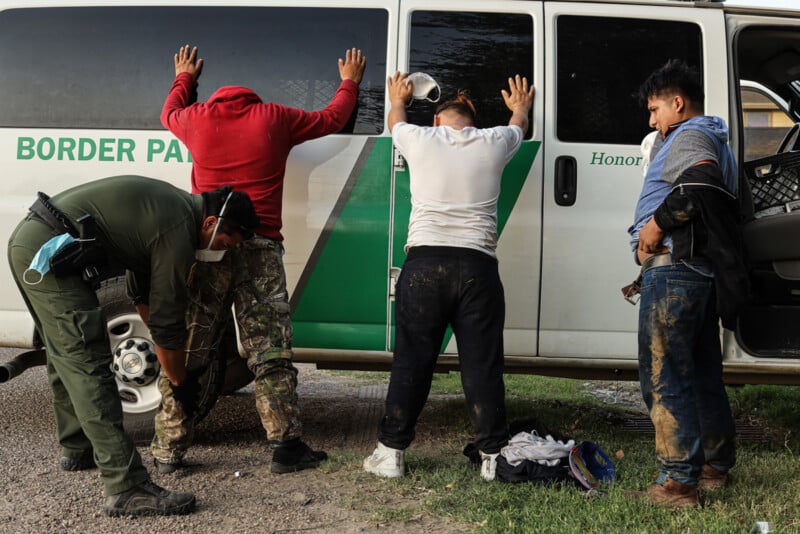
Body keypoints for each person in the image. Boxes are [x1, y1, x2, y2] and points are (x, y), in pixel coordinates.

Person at [157, 44, 367, 474]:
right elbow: (333, 118)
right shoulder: (274, 117)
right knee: (269, 351)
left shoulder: (194, 118)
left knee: (192, 347)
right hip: (260, 247)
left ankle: (168, 450)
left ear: (214, 98)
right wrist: (349, 81)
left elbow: (168, 113)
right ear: (252, 98)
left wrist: (184, 78)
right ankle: (285, 447)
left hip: (211, 245)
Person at [7, 175, 258, 516]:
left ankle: (77, 446)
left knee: (62, 350)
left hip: (35, 240)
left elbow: (143, 297)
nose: (219, 251)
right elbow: (169, 325)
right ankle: (126, 486)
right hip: (47, 252)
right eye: (224, 244)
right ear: (211, 223)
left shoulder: (173, 209)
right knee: (88, 360)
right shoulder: (178, 232)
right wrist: (180, 382)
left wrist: (168, 354)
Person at [363, 72, 534, 481]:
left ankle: (391, 453)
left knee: (412, 361)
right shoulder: (494, 142)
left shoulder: (420, 139)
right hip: (477, 268)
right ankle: (493, 456)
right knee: (481, 365)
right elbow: (519, 127)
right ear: (472, 123)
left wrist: (399, 97)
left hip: (425, 265)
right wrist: (521, 106)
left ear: (438, 122)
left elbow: (395, 122)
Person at [627, 59, 745, 507]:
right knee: (700, 375)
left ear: (678, 104)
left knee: (664, 376)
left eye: (655, 109)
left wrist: (654, 227)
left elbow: (698, 187)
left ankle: (678, 483)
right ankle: (714, 466)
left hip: (677, 270)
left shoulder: (690, 135)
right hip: (698, 273)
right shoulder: (712, 137)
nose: (652, 119)